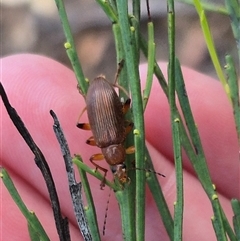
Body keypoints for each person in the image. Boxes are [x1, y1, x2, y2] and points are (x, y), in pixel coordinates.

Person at [1, 54, 238, 240]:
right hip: (101, 100)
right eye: (118, 168)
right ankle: (104, 85)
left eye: (117, 169)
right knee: (118, 110)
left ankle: (100, 87)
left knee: (111, 113)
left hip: (98, 100)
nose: (120, 171)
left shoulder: (105, 144)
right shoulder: (111, 143)